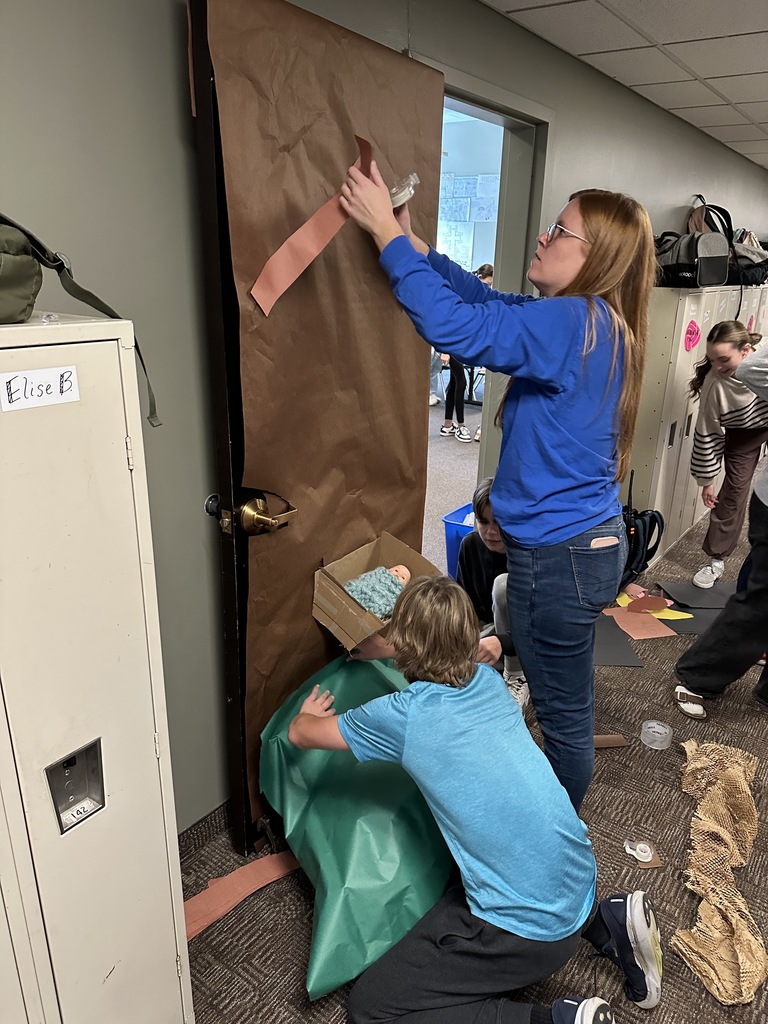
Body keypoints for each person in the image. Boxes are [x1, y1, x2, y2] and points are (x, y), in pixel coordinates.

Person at [339, 162, 655, 810]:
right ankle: (544, 825)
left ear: (595, 256)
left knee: (564, 716)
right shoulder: (597, 322)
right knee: (563, 692)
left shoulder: (575, 323)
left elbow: (459, 330)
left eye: (558, 230)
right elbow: (489, 306)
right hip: (579, 548)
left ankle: (544, 839)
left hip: (562, 557)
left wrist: (382, 235)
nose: (544, 237)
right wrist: (420, 249)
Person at [289, 575, 663, 1024]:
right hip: (578, 883)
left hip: (526, 934)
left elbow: (301, 735)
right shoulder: (489, 681)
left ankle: (554, 1020)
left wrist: (306, 717)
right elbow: (441, 656)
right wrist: (389, 645)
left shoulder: (402, 716)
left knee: (373, 1008)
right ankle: (610, 924)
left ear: (402, 640)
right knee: (493, 859)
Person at [674, 340, 768, 719]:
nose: (717, 365)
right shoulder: (723, 384)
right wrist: (705, 478)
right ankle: (698, 676)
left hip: (754, 434)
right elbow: (750, 370)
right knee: (762, 601)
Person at [687, 321, 768, 588]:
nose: (718, 367)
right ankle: (716, 559)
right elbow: (707, 435)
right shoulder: (715, 385)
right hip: (743, 431)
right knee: (733, 492)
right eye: (712, 360)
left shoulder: (763, 358)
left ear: (746, 350)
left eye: (724, 359)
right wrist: (706, 481)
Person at [457, 476, 528, 710]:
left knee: (503, 585)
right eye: (483, 522)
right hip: (488, 631)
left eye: (499, 523)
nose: (491, 532)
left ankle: (517, 675)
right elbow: (465, 608)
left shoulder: (531, 554)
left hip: (526, 639)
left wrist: (502, 641)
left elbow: (544, 629)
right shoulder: (470, 545)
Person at [440, 352, 472, 442]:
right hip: (451, 348)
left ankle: (448, 425)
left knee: (454, 381)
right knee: (461, 381)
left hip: (455, 347)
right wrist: (445, 351)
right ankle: (461, 426)